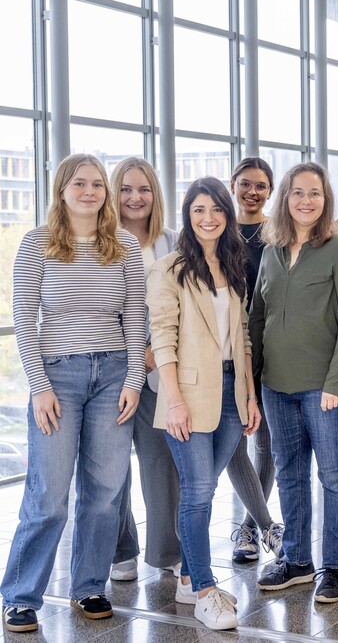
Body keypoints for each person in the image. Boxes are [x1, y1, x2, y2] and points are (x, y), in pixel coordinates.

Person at [2, 154, 146, 634]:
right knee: (48, 495)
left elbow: (135, 319)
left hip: (113, 376)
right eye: (79, 183)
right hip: (58, 378)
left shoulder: (122, 244)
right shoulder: (38, 244)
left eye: (97, 184)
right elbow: (24, 321)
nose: (90, 191)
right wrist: (39, 388)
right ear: (62, 189)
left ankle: (90, 585)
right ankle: (21, 597)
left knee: (105, 493)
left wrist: (132, 382)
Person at [147, 177, 261, 630]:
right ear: (187, 216)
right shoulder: (168, 269)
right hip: (188, 395)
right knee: (197, 492)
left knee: (205, 490)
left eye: (215, 209)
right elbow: (164, 339)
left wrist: (251, 395)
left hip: (233, 391)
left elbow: (244, 337)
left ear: (227, 215)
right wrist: (173, 401)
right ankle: (205, 590)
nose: (208, 218)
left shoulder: (235, 264)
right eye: (198, 210)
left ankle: (189, 578)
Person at [250, 163, 338, 604]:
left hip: (328, 387)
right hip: (277, 386)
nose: (305, 200)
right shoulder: (272, 249)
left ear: (325, 199)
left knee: (335, 476)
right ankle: (297, 560)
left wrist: (335, 381)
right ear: (284, 198)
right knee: (291, 475)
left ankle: (333, 567)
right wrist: (254, 383)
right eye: (297, 192)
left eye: (314, 193)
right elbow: (258, 317)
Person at [109, 158, 182, 582]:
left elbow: (182, 304)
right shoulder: (101, 242)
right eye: (126, 189)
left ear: (156, 194)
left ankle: (165, 551)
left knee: (160, 465)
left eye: (144, 189)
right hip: (110, 372)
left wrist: (153, 351)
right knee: (111, 467)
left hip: (158, 369)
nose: (136, 198)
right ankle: (122, 549)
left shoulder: (172, 242)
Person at [227, 158, 284, 564]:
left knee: (266, 442)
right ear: (233, 185)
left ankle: (249, 529)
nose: (252, 192)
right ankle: (266, 524)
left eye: (261, 186)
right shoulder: (218, 229)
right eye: (245, 184)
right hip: (225, 347)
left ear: (270, 190)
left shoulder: (277, 235)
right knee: (231, 440)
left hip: (268, 346)